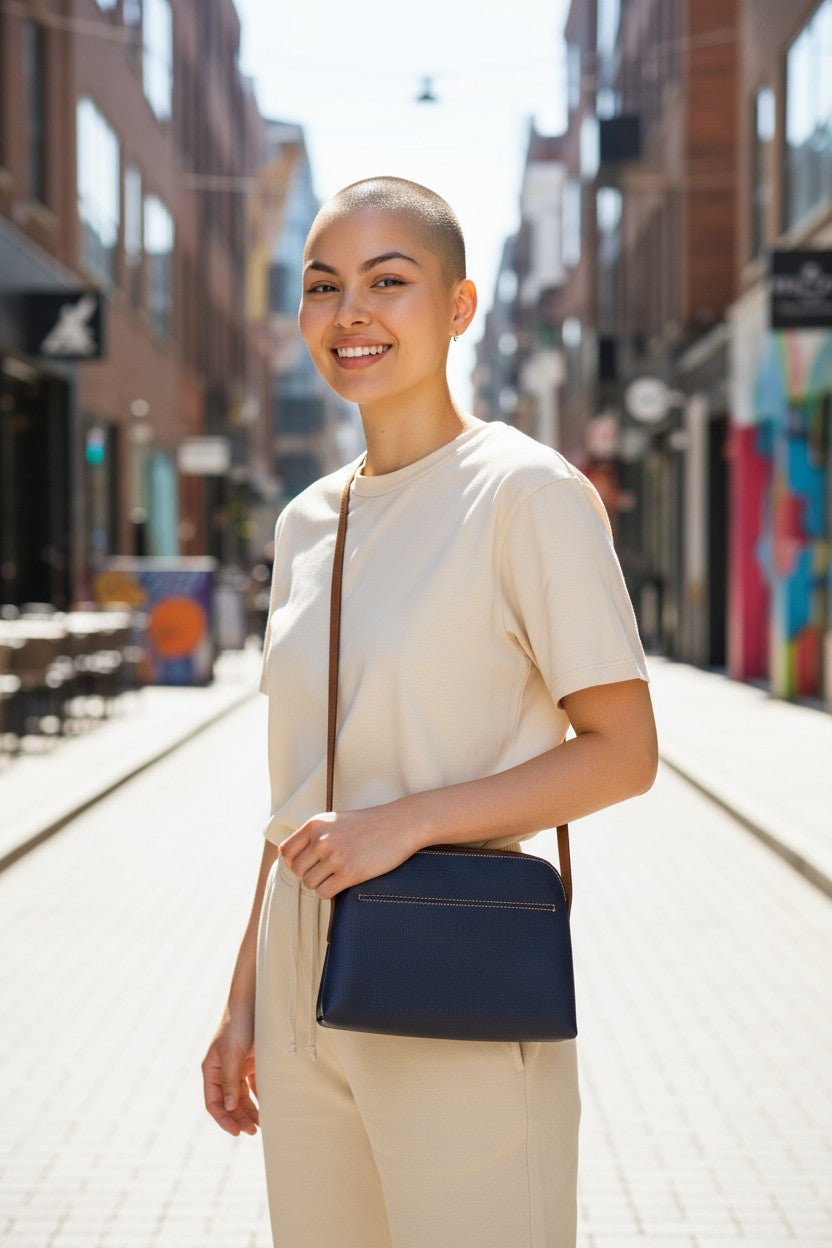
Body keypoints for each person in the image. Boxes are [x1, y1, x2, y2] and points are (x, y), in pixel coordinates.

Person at [202, 176, 658, 1248]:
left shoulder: (526, 494)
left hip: (450, 963)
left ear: (457, 308)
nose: (349, 312)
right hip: (301, 971)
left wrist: (402, 823)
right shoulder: (309, 520)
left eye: (387, 282)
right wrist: (243, 999)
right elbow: (298, 789)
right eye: (323, 286)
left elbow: (623, 753)